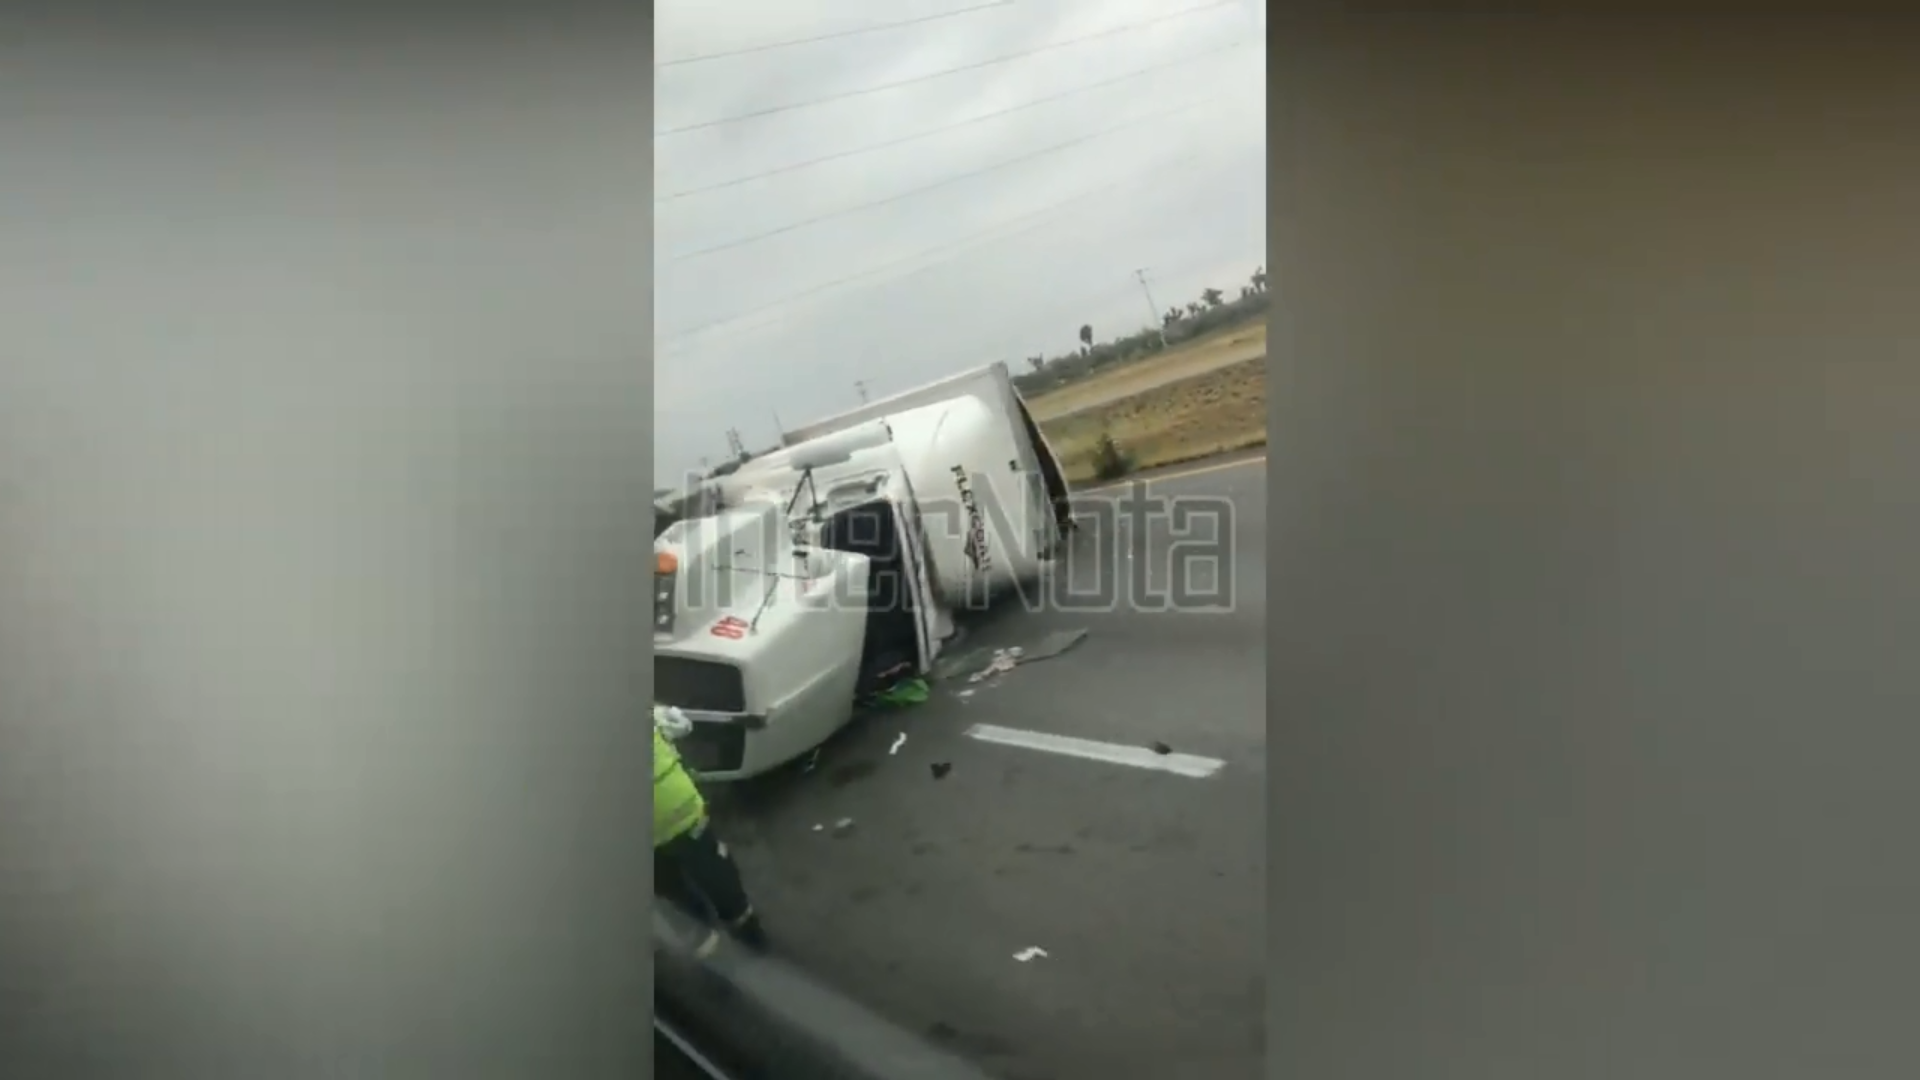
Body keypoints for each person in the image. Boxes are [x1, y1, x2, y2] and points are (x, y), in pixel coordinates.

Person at [653, 706, 768, 953]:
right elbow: (681, 726)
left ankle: (706, 947)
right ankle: (748, 932)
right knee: (714, 871)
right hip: (679, 810)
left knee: (671, 888)